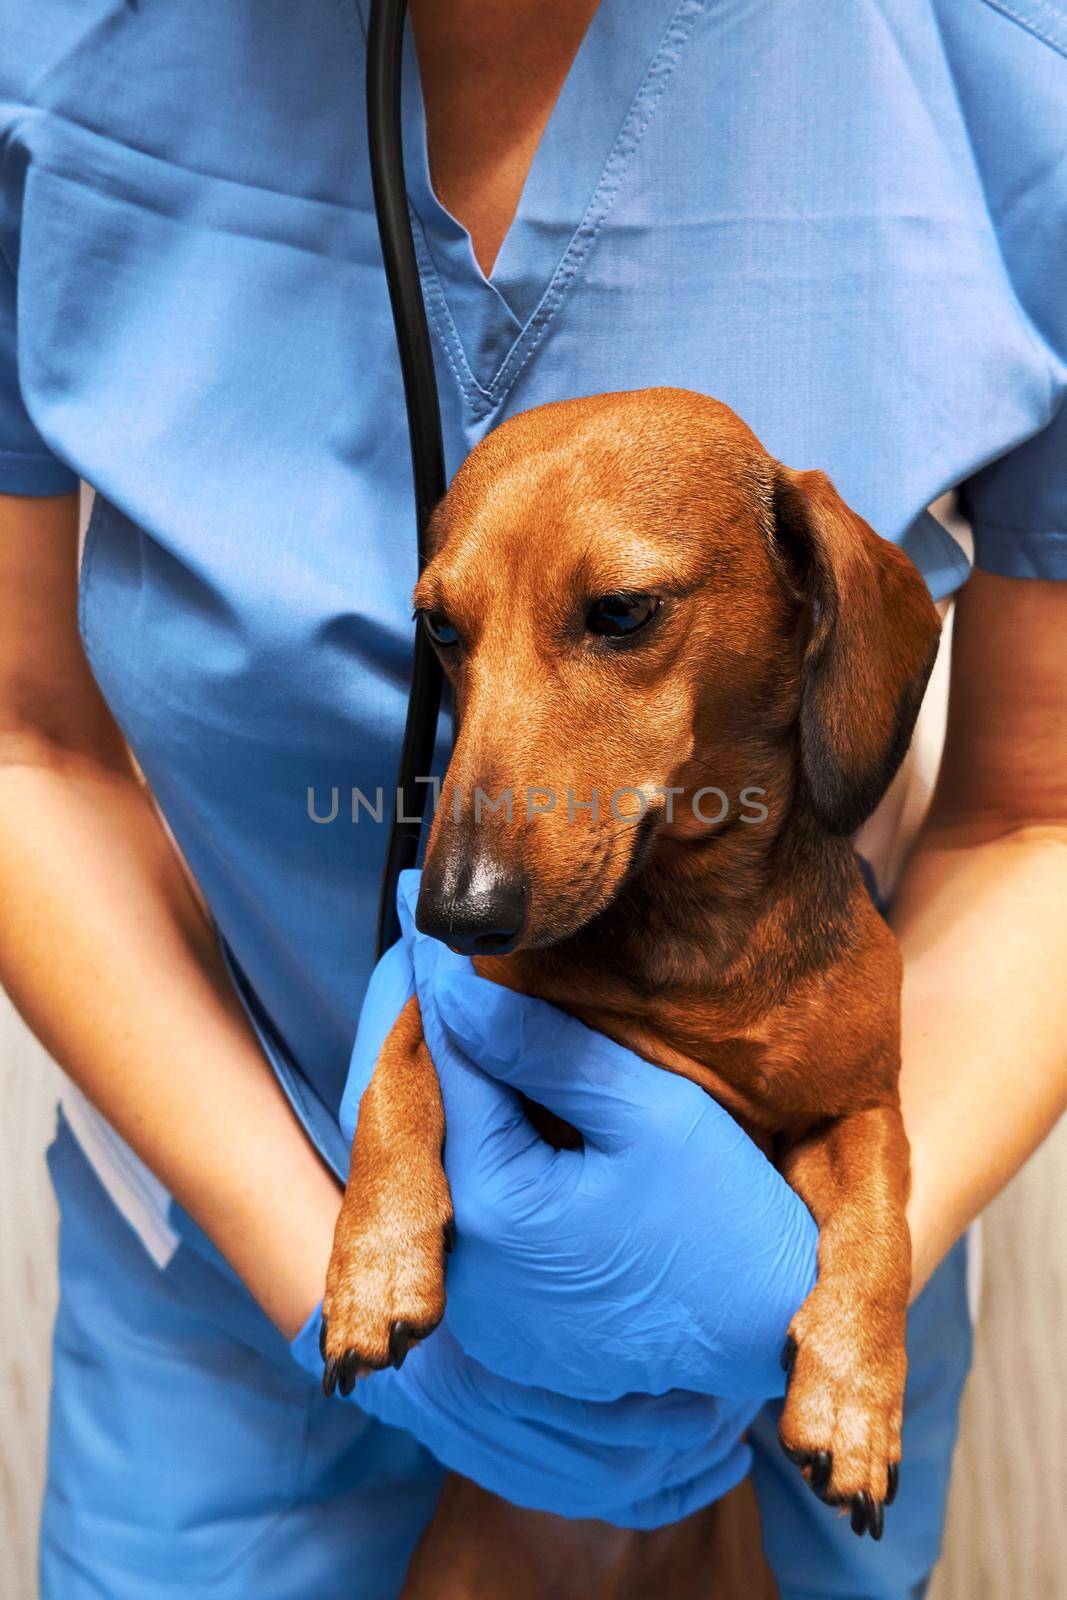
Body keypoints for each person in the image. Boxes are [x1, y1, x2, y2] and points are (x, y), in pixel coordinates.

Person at [2, 1, 1066, 1595]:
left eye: (625, 618)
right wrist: (318, 1254)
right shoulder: (49, 50)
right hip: (231, 1311)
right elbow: (26, 746)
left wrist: (796, 1280)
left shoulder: (1009, 64)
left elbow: (1036, 813)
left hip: (779, 1325)